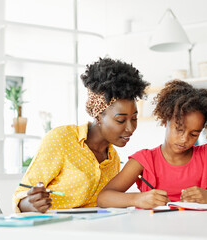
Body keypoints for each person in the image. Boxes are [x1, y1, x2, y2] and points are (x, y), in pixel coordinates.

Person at [13, 58, 150, 213]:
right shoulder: (62, 139)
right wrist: (31, 203)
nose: (130, 128)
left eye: (134, 119)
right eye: (120, 120)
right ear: (98, 116)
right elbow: (22, 194)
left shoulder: (113, 159)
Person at [97, 80, 207, 209]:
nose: (184, 139)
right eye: (179, 129)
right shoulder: (144, 160)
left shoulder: (206, 156)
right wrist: (137, 199)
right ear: (165, 120)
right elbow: (103, 198)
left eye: (194, 134)